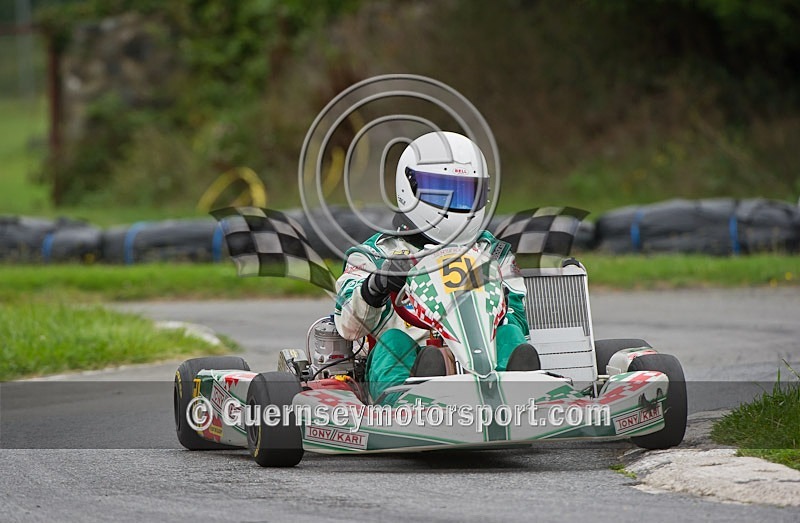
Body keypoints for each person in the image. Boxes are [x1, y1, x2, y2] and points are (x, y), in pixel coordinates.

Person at [334, 131, 539, 403]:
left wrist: (495, 302)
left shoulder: (493, 253)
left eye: (464, 193)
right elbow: (349, 328)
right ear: (410, 187)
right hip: (413, 360)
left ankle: (522, 395)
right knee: (394, 343)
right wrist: (376, 286)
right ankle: (405, 403)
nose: (452, 204)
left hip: (485, 361)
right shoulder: (375, 254)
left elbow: (520, 320)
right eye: (441, 192)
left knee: (511, 333)